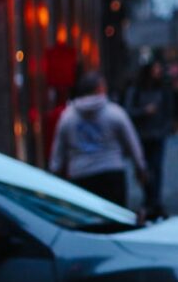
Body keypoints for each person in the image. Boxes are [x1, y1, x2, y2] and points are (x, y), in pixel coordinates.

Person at [49, 72, 147, 207]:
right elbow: (133, 143)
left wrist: (54, 175)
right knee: (116, 220)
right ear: (99, 88)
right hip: (112, 172)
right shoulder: (115, 113)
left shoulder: (68, 117)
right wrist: (140, 168)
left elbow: (57, 153)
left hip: (80, 175)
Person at [124, 60, 174, 215]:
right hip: (142, 135)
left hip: (157, 134)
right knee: (144, 168)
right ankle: (149, 198)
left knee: (157, 167)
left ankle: (155, 200)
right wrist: (144, 111)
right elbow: (129, 110)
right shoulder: (136, 90)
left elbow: (168, 110)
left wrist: (165, 128)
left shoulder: (162, 89)